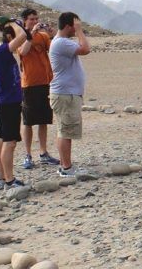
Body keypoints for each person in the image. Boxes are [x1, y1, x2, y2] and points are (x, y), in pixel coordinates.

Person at [17, 8, 60, 169]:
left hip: (45, 82)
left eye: (36, 19)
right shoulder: (19, 37)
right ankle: (27, 155)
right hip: (29, 84)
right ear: (24, 21)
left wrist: (53, 33)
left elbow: (55, 48)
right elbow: (23, 52)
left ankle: (43, 152)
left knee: (43, 120)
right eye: (31, 19)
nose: (35, 22)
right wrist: (30, 34)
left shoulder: (42, 37)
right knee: (28, 121)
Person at [49, 12, 90, 177]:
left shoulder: (61, 42)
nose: (77, 29)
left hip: (66, 94)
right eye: (75, 25)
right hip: (65, 94)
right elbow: (86, 49)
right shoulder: (61, 43)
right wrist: (80, 31)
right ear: (68, 26)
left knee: (64, 130)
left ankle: (65, 165)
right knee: (66, 131)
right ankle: (66, 168)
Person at [0, 17, 29, 189]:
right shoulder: (2, 51)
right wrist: (14, 24)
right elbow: (23, 36)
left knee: (3, 139)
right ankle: (9, 180)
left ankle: (2, 177)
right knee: (10, 142)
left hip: (6, 101)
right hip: (8, 103)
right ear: (9, 37)